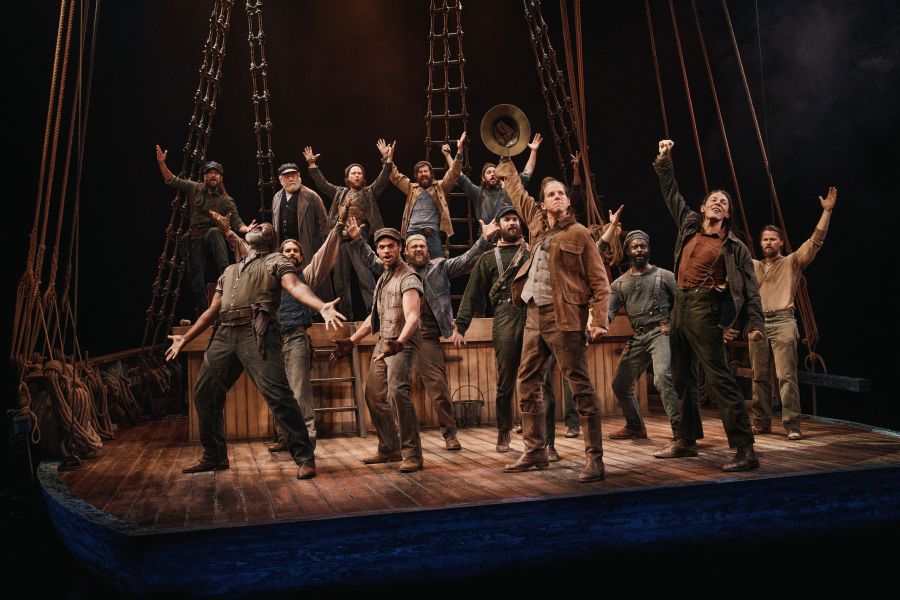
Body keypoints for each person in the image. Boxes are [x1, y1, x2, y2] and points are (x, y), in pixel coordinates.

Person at [165, 223, 346, 480]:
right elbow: (212, 311)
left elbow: (295, 286)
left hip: (258, 330)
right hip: (225, 332)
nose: (258, 226)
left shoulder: (276, 260)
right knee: (204, 393)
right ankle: (214, 455)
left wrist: (321, 307)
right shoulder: (230, 270)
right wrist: (185, 338)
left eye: (264, 226)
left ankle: (304, 455)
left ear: (270, 240)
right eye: (256, 225)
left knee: (279, 396)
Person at [496, 159, 611, 483]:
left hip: (565, 316)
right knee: (527, 382)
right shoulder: (537, 226)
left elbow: (600, 281)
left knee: (580, 387)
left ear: (568, 201)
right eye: (551, 194)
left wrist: (599, 319)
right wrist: (505, 161)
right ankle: (536, 450)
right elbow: (518, 193)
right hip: (534, 313)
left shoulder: (580, 233)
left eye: (561, 193)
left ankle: (595, 459)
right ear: (543, 204)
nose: (557, 196)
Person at [652, 139, 764, 472]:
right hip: (681, 305)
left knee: (719, 378)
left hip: (706, 309)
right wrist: (665, 159)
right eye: (713, 199)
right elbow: (670, 192)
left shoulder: (734, 246)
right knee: (681, 377)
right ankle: (686, 440)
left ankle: (745, 449)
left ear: (727, 214)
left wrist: (755, 323)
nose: (717, 203)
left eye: (723, 202)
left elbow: (750, 288)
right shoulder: (689, 226)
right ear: (703, 209)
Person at [352, 216, 498, 451]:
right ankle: (392, 443)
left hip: (426, 336)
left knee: (438, 388)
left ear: (428, 250)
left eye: (422, 246)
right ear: (405, 251)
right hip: (399, 336)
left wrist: (484, 239)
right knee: (386, 391)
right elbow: (372, 258)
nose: (419, 249)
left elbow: (466, 260)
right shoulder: (395, 271)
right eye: (414, 246)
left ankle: (449, 434)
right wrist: (358, 240)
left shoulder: (440, 267)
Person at [329, 227, 425, 473]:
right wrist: (351, 341)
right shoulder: (384, 277)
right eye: (381, 247)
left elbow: (412, 316)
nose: (386, 251)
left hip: (402, 343)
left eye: (390, 246)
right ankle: (389, 447)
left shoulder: (408, 277)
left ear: (400, 248)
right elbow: (374, 318)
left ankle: (412, 454)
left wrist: (400, 342)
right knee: (373, 393)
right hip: (384, 342)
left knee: (397, 393)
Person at [750, 187, 837, 440]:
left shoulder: (792, 262)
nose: (768, 242)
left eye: (773, 239)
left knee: (786, 376)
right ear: (760, 243)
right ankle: (761, 421)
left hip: (783, 321)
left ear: (781, 242)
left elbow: (815, 241)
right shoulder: (753, 266)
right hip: (759, 322)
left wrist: (827, 212)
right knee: (759, 377)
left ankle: (792, 424)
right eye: (765, 239)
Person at [454, 206, 529, 453]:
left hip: (533, 314)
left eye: (515, 219)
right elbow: (472, 293)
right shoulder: (488, 259)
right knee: (506, 379)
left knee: (540, 378)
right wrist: (461, 326)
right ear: (498, 226)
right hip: (505, 315)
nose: (512, 223)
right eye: (507, 220)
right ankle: (504, 431)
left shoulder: (533, 252)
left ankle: (542, 437)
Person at [605, 217, 680, 440]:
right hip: (638, 336)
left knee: (662, 378)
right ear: (628, 250)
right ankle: (635, 426)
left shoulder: (665, 276)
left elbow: (682, 304)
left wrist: (673, 326)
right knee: (620, 384)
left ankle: (681, 432)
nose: (639, 250)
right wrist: (597, 325)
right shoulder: (619, 284)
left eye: (643, 246)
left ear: (648, 249)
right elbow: (609, 312)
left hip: (660, 332)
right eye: (635, 246)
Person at [155, 145, 251, 318]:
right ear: (205, 176)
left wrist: (246, 229)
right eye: (210, 172)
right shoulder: (195, 188)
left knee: (214, 232)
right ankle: (204, 314)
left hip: (212, 235)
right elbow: (172, 180)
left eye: (217, 173)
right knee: (196, 282)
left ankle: (226, 274)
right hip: (195, 237)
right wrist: (162, 164)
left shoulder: (226, 200)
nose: (213, 175)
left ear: (221, 178)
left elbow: (236, 221)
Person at [304, 141, 393, 318]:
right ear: (347, 177)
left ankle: (373, 316)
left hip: (359, 239)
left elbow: (382, 180)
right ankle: (344, 317)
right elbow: (323, 184)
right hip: (340, 239)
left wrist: (387, 160)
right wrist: (312, 165)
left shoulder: (368, 192)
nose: (357, 176)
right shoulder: (340, 192)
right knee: (340, 282)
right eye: (353, 173)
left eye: (360, 173)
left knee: (365, 279)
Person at [387, 133, 466, 259]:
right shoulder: (411, 188)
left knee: (436, 264)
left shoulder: (439, 187)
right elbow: (395, 177)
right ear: (416, 176)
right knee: (412, 265)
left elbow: (454, 174)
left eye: (426, 171)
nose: (423, 174)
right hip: (412, 232)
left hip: (431, 233)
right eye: (420, 172)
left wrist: (459, 151)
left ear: (431, 174)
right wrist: (388, 158)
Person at [444, 133, 543, 223]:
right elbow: (458, 174)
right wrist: (450, 155)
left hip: (508, 233)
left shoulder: (508, 190)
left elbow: (527, 174)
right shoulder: (478, 193)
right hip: (487, 235)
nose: (492, 174)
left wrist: (533, 151)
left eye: (495, 172)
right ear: (483, 178)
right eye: (489, 172)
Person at [271, 163, 332, 301]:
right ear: (280, 179)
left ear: (299, 176)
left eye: (294, 175)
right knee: (287, 283)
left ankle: (317, 310)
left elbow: (324, 224)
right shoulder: (277, 198)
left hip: (308, 248)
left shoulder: (311, 196)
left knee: (310, 284)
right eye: (287, 176)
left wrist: (322, 250)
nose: (291, 179)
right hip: (284, 250)